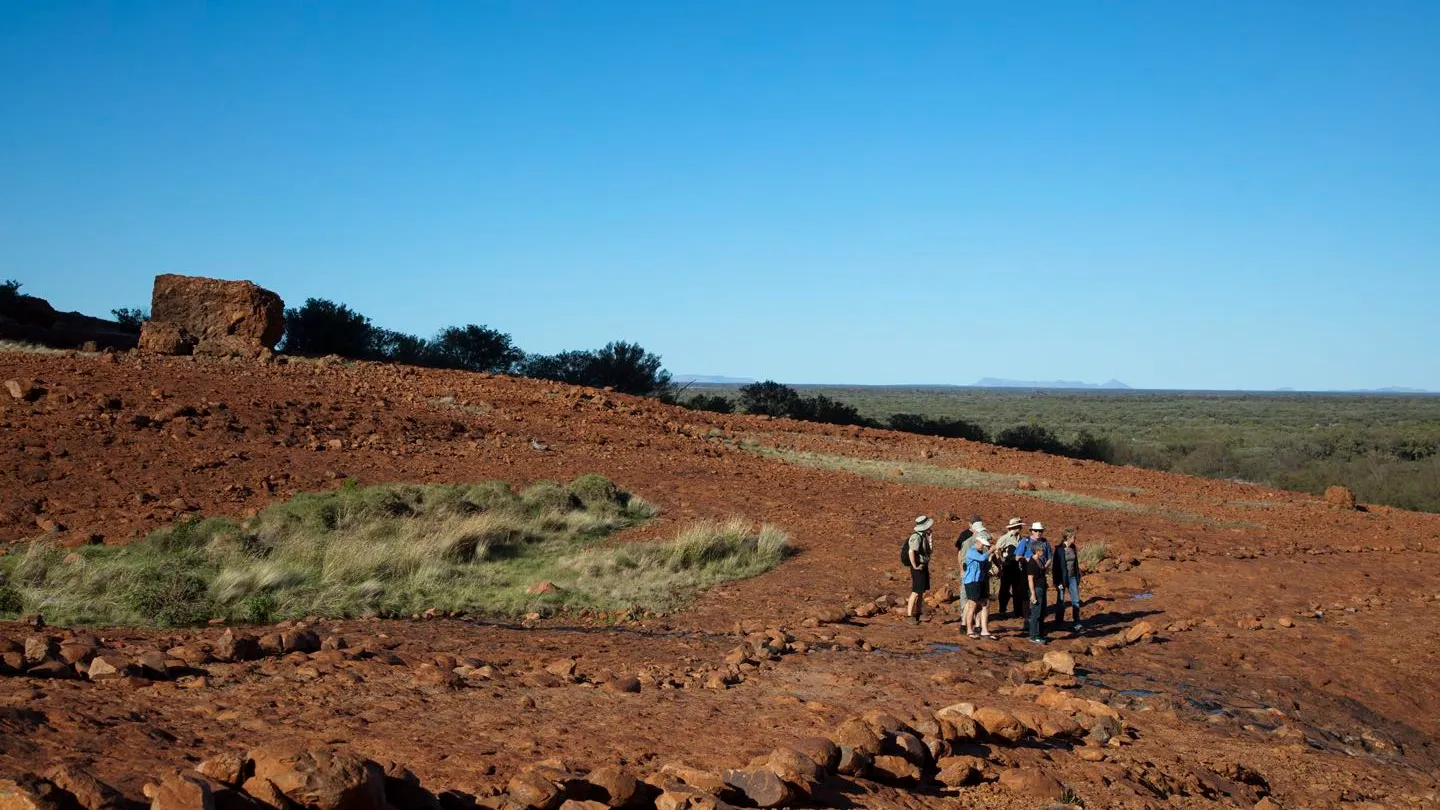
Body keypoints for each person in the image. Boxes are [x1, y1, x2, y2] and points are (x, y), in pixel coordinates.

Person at [961, 529, 995, 638]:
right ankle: (969, 630)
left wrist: (991, 557)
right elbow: (981, 558)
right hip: (971, 582)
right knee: (972, 605)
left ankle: (984, 630)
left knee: (985, 603)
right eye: (982, 544)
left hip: (980, 581)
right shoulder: (971, 551)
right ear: (978, 542)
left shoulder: (980, 552)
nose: (983, 547)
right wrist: (990, 551)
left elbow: (985, 563)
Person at [1024, 522, 1054, 644]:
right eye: (1041, 550)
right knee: (1036, 613)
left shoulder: (1039, 561)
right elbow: (1030, 579)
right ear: (1037, 551)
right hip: (1036, 589)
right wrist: (1032, 594)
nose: (1043, 551)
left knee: (1041, 612)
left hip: (1041, 588)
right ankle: (1034, 636)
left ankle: (1040, 634)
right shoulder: (1032, 563)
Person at [994, 517, 1026, 618]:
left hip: (1017, 568)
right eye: (1019, 526)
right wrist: (1001, 563)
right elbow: (997, 550)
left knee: (1018, 589)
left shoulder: (1020, 538)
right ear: (1014, 527)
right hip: (1007, 567)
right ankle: (1002, 610)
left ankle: (1018, 612)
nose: (1020, 528)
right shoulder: (1005, 538)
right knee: (1005, 589)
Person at [905, 515, 934, 625]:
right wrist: (915, 566)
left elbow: (929, 552)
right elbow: (911, 551)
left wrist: (930, 539)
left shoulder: (923, 536)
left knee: (921, 591)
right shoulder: (916, 537)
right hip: (918, 566)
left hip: (923, 565)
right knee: (916, 591)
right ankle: (909, 615)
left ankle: (918, 613)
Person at [1053, 527, 1083, 631]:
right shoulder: (1059, 549)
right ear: (1068, 537)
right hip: (1062, 579)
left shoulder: (1073, 547)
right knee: (1061, 602)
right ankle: (1058, 622)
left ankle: (1076, 622)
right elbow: (1055, 567)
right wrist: (1057, 581)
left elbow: (1076, 563)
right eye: (1074, 537)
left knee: (1076, 600)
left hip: (1073, 577)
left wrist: (1078, 576)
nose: (1075, 538)